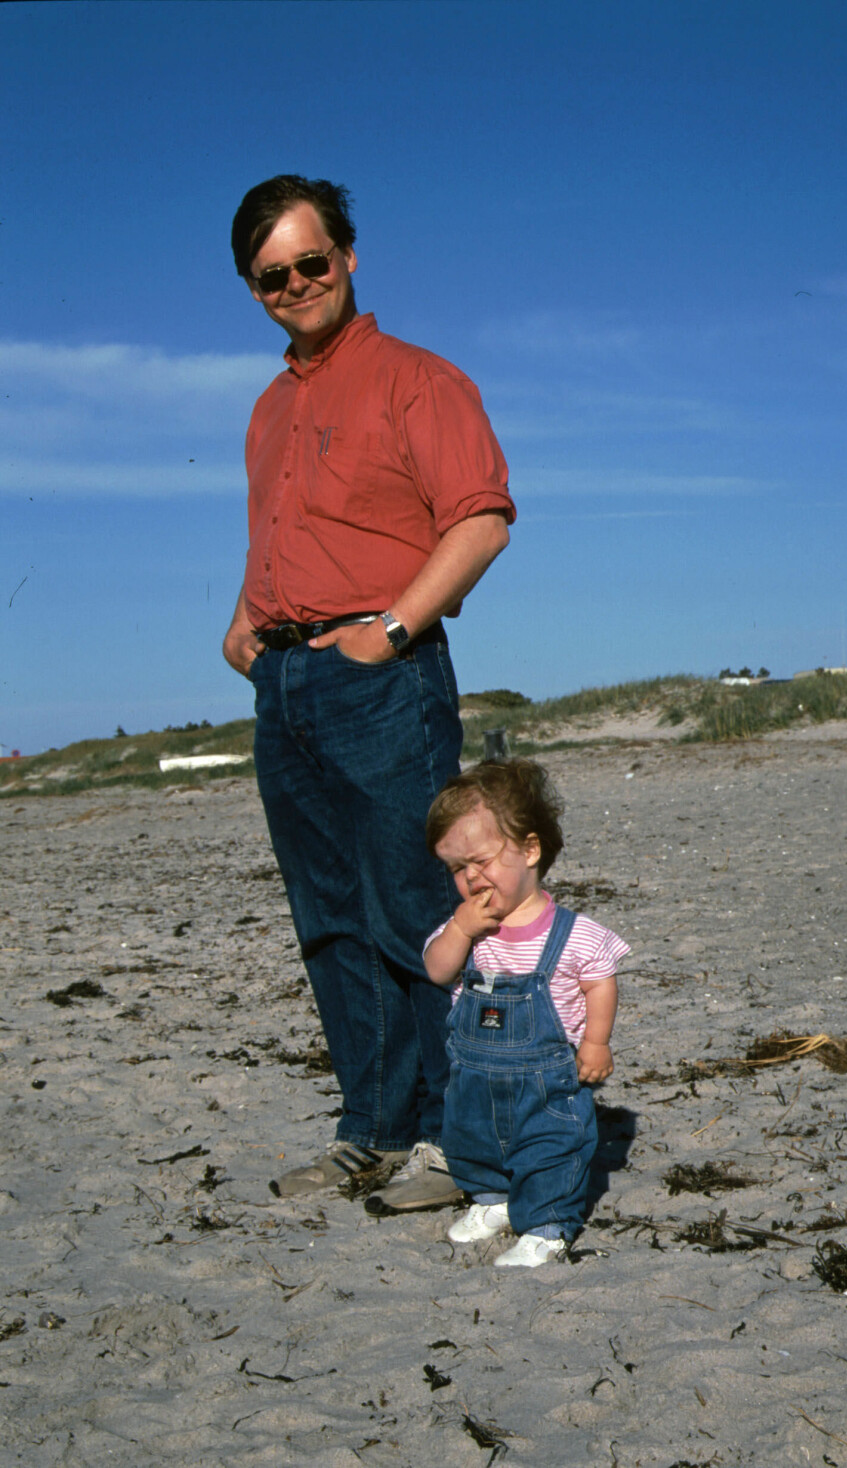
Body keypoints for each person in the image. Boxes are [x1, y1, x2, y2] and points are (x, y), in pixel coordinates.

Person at [222, 175, 515, 1212]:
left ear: (347, 255)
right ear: (253, 289)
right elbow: (287, 535)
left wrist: (389, 632)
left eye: (312, 261)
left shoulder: (416, 379)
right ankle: (373, 1131)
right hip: (288, 686)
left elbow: (480, 518)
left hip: (383, 679)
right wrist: (248, 623)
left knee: (418, 906)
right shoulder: (268, 409)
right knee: (329, 919)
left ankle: (452, 1137)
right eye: (273, 275)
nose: (297, 284)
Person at [423, 759, 629, 1266]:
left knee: (549, 1147)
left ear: (530, 849)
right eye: (455, 868)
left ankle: (547, 1223)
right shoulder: (466, 930)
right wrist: (460, 929)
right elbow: (436, 970)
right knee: (471, 1138)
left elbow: (599, 980)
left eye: (480, 860)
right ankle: (492, 1199)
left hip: (548, 1080)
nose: (470, 877)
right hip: (475, 1075)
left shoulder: (572, 932)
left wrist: (596, 1042)